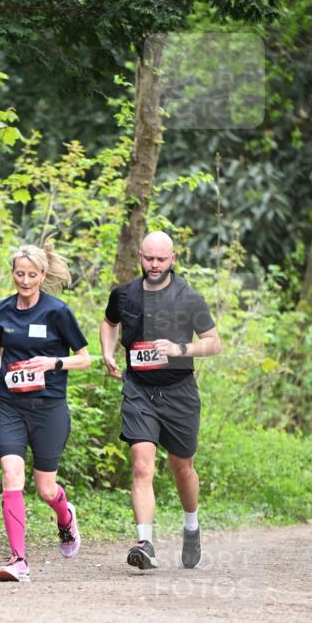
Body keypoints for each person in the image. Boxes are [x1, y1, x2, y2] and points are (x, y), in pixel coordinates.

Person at [100, 231, 221, 570]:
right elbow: (109, 323)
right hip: (138, 389)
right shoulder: (124, 295)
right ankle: (145, 541)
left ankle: (192, 525)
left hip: (179, 391)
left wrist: (180, 349)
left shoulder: (188, 297)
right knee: (141, 464)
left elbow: (214, 342)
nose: (154, 265)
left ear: (173, 259)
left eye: (161, 259)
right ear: (140, 256)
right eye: (148, 258)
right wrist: (108, 352)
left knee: (182, 467)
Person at [0, 241, 91, 582]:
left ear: (43, 275)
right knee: (11, 474)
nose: (25, 281)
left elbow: (85, 358)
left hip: (48, 408)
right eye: (19, 274)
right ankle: (18, 560)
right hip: (10, 405)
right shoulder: (1, 311)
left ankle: (65, 516)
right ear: (12, 274)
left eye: (31, 275)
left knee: (46, 489)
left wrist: (54, 362)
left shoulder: (58, 311)